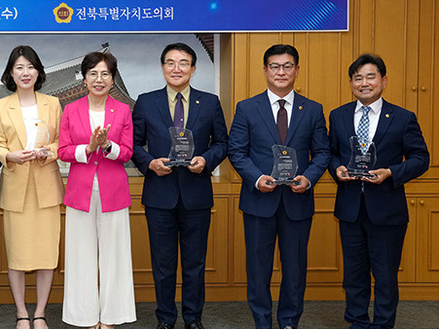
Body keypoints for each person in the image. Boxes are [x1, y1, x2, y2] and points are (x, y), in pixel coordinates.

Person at [228, 44, 330, 329]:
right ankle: (262, 321)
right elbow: (237, 151)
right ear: (265, 70)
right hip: (259, 201)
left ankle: (289, 321)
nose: (281, 72)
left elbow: (322, 152)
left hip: (297, 201)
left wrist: (308, 178)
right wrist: (256, 178)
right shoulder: (247, 108)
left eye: (287, 66)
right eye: (275, 66)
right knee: (258, 269)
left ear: (296, 70)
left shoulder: (313, 109)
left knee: (295, 269)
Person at [131, 43, 229, 329]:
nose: (177, 68)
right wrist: (150, 163)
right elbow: (133, 144)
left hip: (196, 194)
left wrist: (206, 160)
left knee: (194, 264)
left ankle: (193, 318)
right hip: (159, 195)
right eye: (171, 63)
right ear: (162, 67)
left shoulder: (209, 102)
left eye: (183, 63)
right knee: (163, 264)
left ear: (193, 69)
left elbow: (222, 143)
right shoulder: (146, 102)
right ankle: (165, 318)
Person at [328, 54, 429, 329]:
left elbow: (421, 158)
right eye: (358, 78)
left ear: (383, 81)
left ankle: (383, 323)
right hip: (350, 207)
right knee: (354, 273)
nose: (364, 83)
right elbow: (331, 153)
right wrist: (336, 168)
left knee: (385, 275)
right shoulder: (338, 115)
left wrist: (391, 172)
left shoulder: (403, 118)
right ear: (351, 83)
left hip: (387, 209)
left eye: (370, 77)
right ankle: (358, 321)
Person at [58, 51, 137, 329]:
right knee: (81, 254)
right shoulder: (71, 109)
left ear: (112, 78)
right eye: (93, 73)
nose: (99, 79)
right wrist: (89, 147)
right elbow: (63, 151)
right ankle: (84, 316)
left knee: (115, 254)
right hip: (80, 190)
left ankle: (112, 316)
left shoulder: (123, 110)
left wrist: (106, 146)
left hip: (113, 189)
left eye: (105, 73)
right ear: (84, 78)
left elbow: (127, 152)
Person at [0, 45, 64, 329]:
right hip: (16, 187)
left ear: (38, 71)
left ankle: (41, 312)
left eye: (31, 67)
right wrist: (10, 156)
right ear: (11, 73)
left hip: (46, 186)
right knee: (17, 254)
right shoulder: (0, 106)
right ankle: (22, 312)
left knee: (47, 255)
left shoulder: (52, 103)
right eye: (19, 67)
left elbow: (61, 141)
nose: (25, 72)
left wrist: (49, 152)